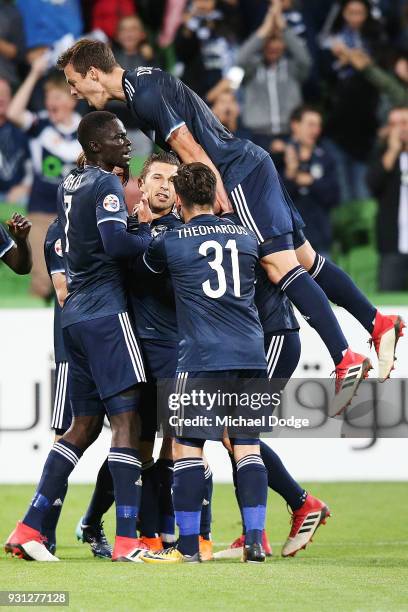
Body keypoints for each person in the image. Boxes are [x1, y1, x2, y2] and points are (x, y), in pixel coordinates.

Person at [58, 39, 404, 408]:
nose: (74, 92)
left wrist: (215, 203)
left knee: (278, 265)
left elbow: (191, 150)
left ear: (93, 73)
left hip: (236, 176)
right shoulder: (142, 85)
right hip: (250, 166)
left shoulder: (142, 95)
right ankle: (377, 321)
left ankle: (343, 357)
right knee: (307, 260)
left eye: (74, 82)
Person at [4, 111, 153, 563]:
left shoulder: (71, 183)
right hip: (108, 313)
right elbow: (115, 242)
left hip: (75, 321)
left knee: (82, 426)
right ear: (96, 146)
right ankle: (127, 541)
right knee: (129, 423)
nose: (126, 143)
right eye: (118, 137)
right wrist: (154, 236)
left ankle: (29, 528)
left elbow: (58, 242)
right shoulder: (105, 185)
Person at [140, 162, 269, 564]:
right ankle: (254, 541)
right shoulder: (248, 238)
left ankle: (190, 547)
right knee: (248, 448)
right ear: (216, 196)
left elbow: (148, 274)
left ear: (178, 198)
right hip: (250, 352)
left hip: (202, 355)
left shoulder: (172, 242)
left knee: (187, 447)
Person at [43, 216, 114, 559]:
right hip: (76, 354)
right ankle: (43, 532)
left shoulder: (119, 227)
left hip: (121, 351)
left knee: (132, 440)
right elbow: (62, 293)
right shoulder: (63, 229)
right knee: (66, 438)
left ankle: (93, 521)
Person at [7, 55, 82, 299]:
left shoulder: (85, 129)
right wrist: (34, 74)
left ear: (71, 101)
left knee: (75, 282)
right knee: (42, 281)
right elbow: (13, 112)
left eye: (57, 97)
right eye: (48, 97)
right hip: (40, 213)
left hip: (75, 216)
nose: (51, 102)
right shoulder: (40, 125)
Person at [236, 1, 311, 150]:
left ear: (284, 44)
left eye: (277, 41)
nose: (273, 46)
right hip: (256, 136)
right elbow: (240, 60)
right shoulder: (252, 67)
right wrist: (266, 27)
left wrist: (282, 26)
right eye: (269, 41)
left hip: (289, 135)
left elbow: (305, 59)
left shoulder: (292, 68)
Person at [282, 105, 340, 257]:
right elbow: (272, 199)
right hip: (288, 242)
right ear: (295, 125)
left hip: (320, 239)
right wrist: (290, 174)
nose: (316, 131)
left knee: (322, 281)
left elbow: (334, 196)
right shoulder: (277, 157)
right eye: (310, 124)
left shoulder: (326, 158)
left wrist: (310, 182)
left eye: (318, 125)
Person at [367, 106, 408, 291]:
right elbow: (373, 185)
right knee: (389, 307)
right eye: (393, 124)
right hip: (392, 245)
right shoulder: (382, 155)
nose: (399, 129)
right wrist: (392, 151)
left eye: (404, 123)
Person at [0, 79, 30, 205]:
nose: (1, 98)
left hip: (16, 196)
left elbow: (33, 167)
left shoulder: (22, 128)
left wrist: (26, 187)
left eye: (4, 94)